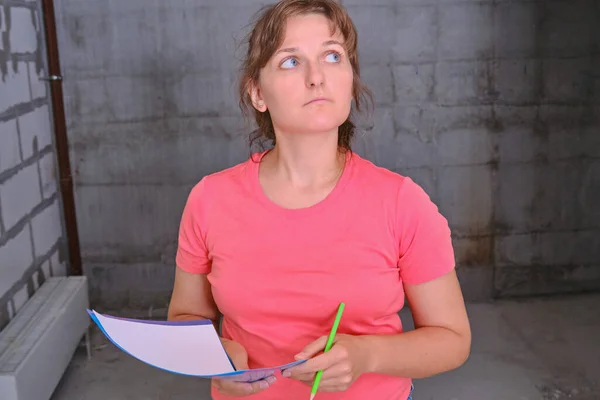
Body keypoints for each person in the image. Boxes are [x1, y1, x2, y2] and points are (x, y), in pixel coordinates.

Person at [167, 1, 471, 399]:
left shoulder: (402, 203)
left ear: (349, 77)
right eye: (290, 62)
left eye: (332, 56)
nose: (317, 77)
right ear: (257, 93)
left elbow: (453, 340)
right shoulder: (209, 199)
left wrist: (368, 355)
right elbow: (185, 315)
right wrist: (215, 354)